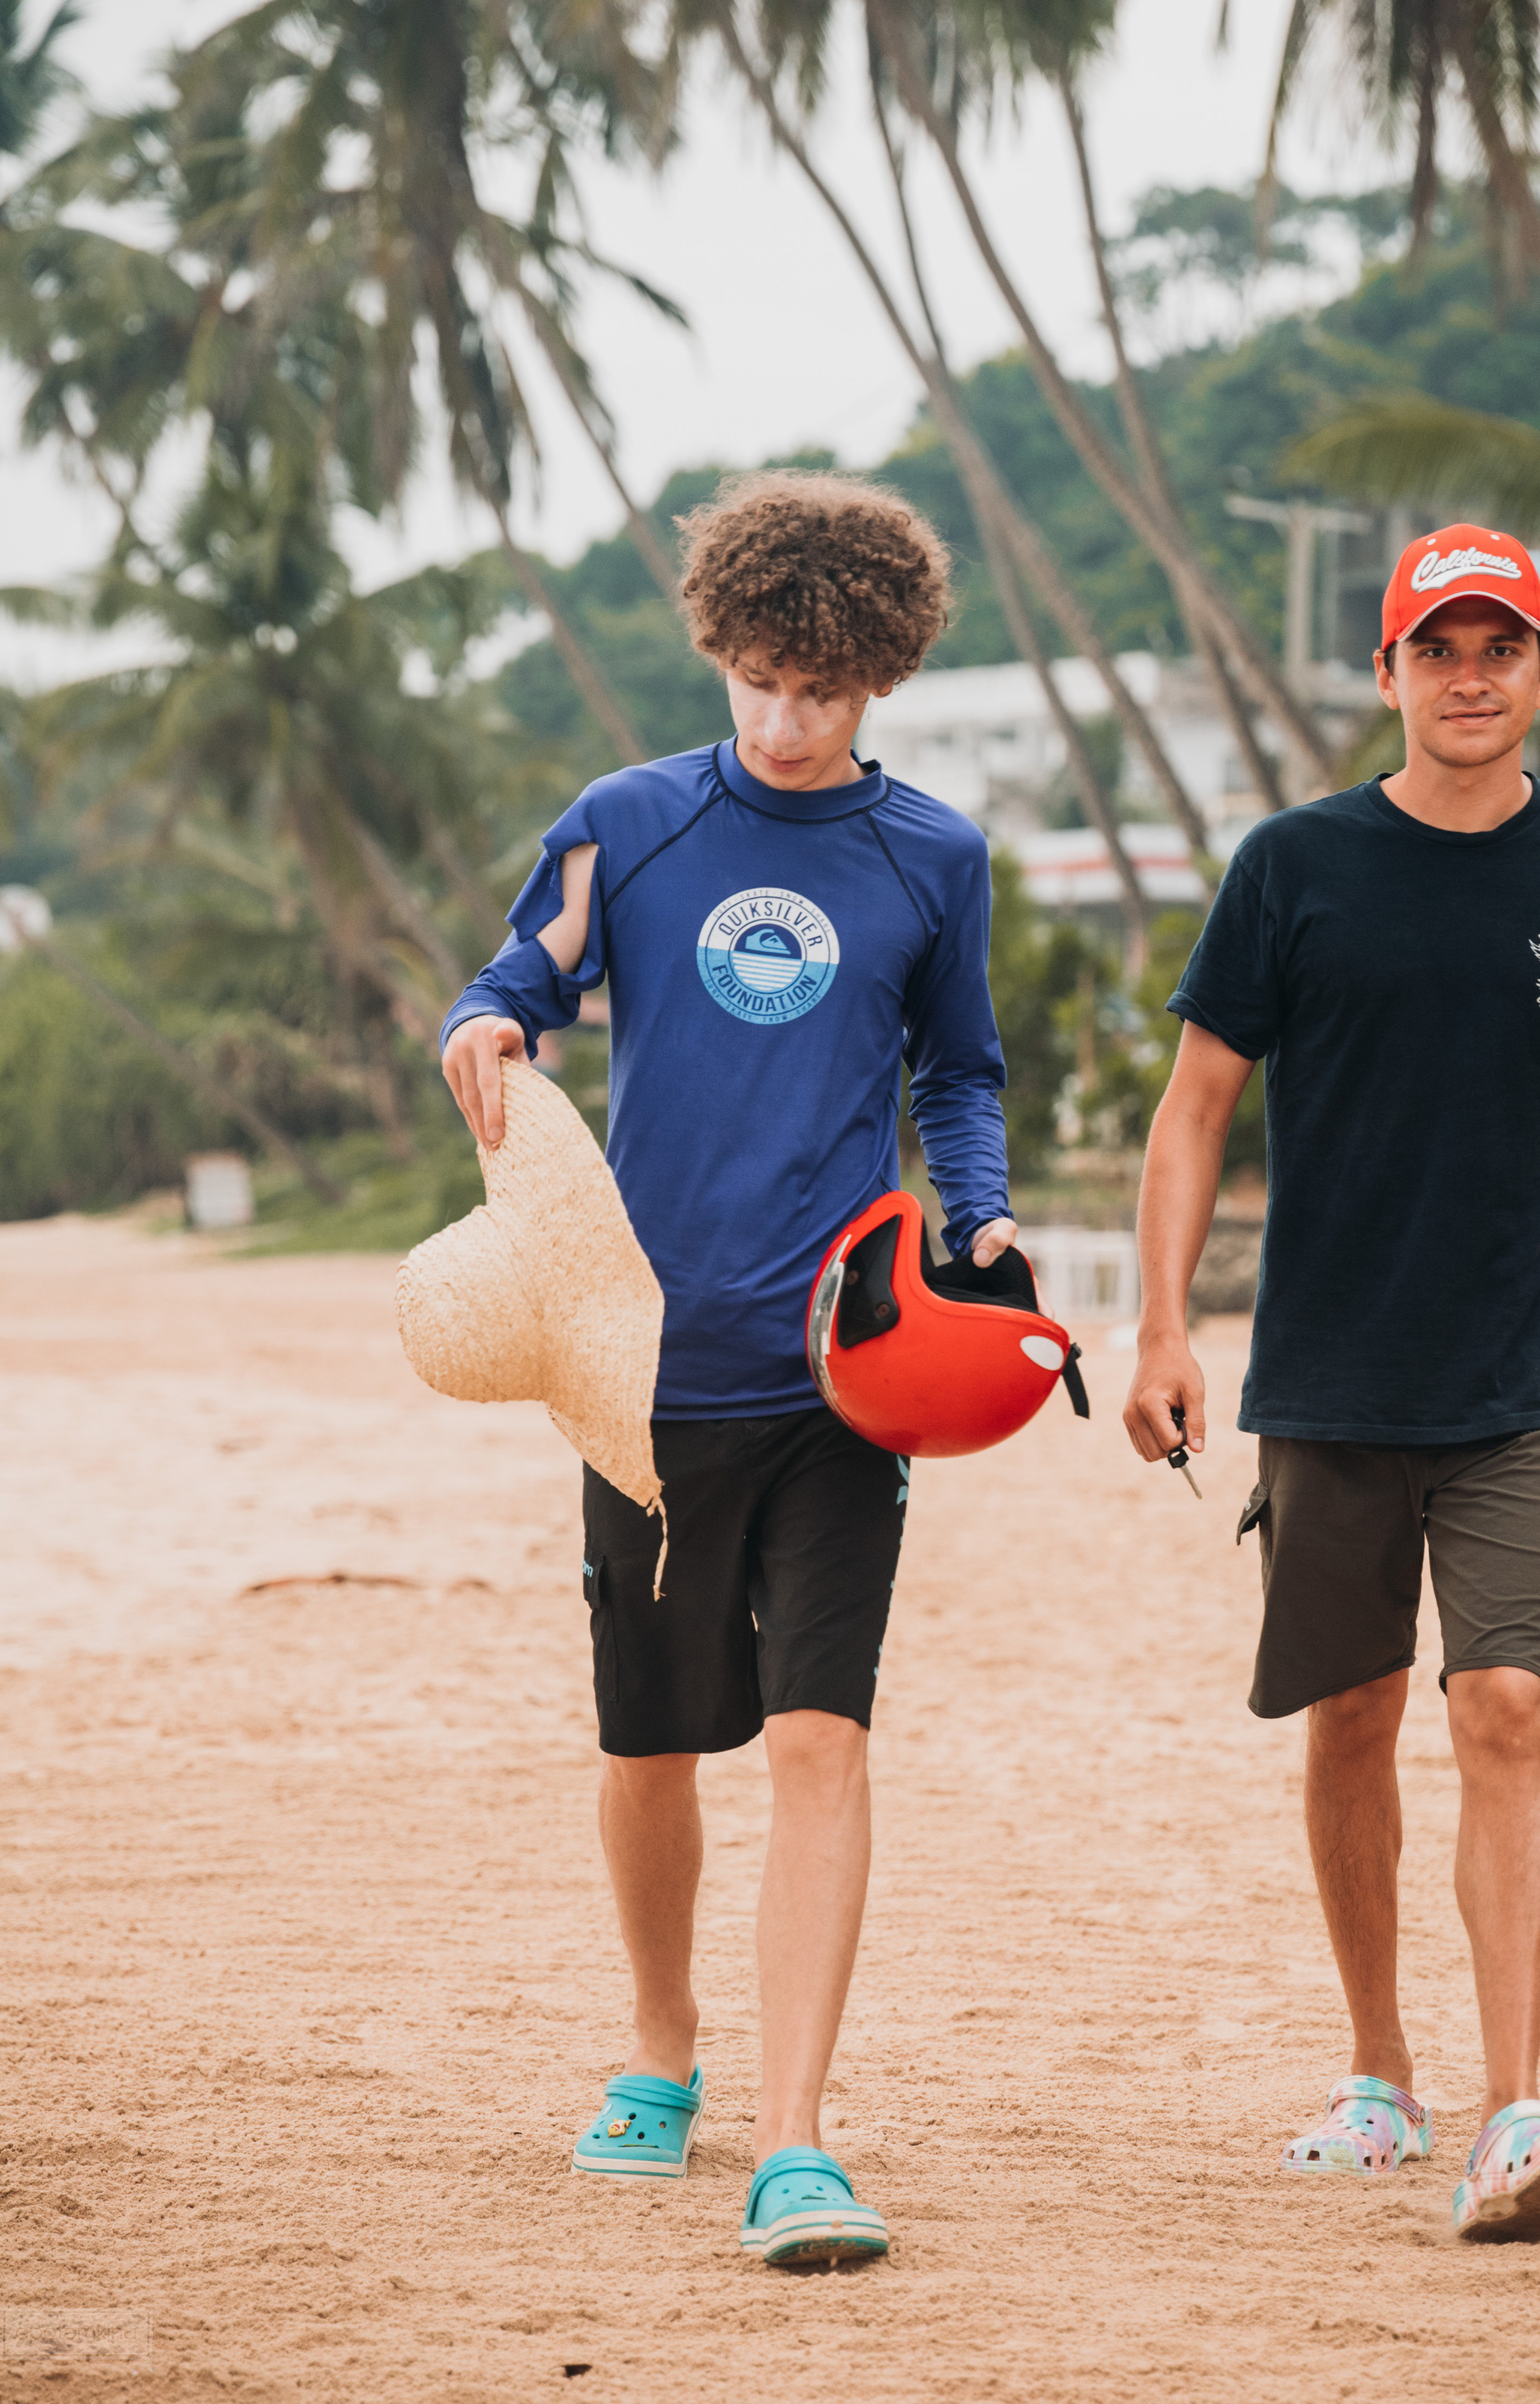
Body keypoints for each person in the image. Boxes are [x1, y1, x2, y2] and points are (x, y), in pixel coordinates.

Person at [440, 472, 1015, 2269]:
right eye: (762, 678)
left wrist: (978, 1216)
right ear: (719, 645)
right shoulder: (628, 825)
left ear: (882, 679)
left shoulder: (933, 855)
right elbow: (515, 973)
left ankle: (794, 2138)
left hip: (845, 1376)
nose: (786, 720)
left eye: (824, 690)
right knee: (649, 1747)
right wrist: (484, 1023)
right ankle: (661, 2056)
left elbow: (961, 1075)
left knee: (818, 1737)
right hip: (639, 1376)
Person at [1123, 524, 1540, 2244]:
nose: (1468, 675)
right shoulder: (1291, 865)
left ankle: (1511, 2106)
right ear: (1383, 672)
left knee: (1504, 1707)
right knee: (1353, 1717)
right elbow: (1194, 1106)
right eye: (1435, 646)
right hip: (1324, 1373)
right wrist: (1163, 1324)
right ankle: (1377, 2069)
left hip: (1523, 1378)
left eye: (1500, 647)